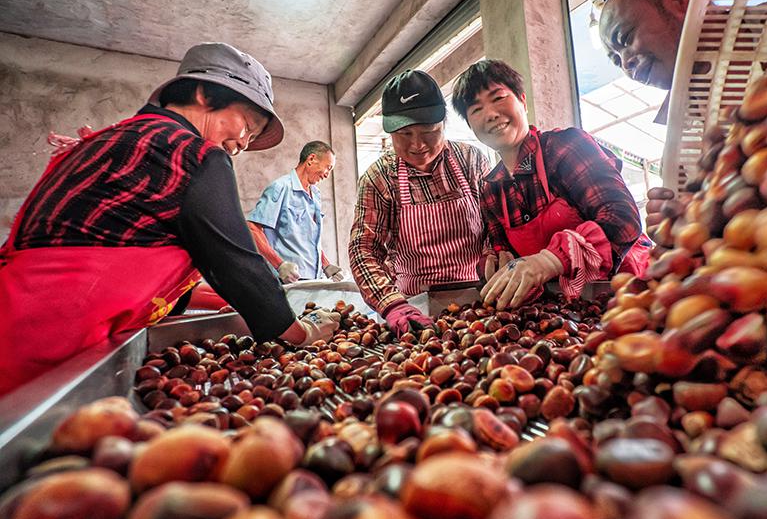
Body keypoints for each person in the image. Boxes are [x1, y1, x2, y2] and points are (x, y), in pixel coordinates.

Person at [0, 42, 339, 396]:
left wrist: (223, 304)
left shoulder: (108, 141)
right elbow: (234, 261)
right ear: (204, 95)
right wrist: (299, 332)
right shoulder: (194, 154)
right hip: (55, 353)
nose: (242, 143)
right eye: (246, 125)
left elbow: (133, 244)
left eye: (252, 137)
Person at [451, 60, 651, 310]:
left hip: (628, 296)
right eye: (476, 110)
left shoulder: (566, 147)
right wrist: (496, 262)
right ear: (471, 126)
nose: (491, 114)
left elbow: (622, 218)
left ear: (522, 100)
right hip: (564, 312)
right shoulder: (492, 189)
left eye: (499, 98)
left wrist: (550, 260)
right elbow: (504, 250)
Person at [349, 69, 492, 334]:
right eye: (404, 134)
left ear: (443, 123)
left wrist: (491, 254)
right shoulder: (379, 178)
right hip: (413, 309)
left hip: (479, 300)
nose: (417, 145)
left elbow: (496, 224)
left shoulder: (471, 160)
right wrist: (392, 305)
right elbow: (364, 249)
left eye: (428, 131)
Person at [597, 0, 694, 124]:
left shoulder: (748, 36)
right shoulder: (682, 133)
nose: (625, 64)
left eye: (625, 38)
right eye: (616, 61)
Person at [247, 140, 344, 283]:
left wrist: (326, 264)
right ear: (311, 159)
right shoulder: (280, 187)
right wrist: (280, 265)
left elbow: (310, 239)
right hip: (288, 281)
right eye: (328, 168)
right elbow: (253, 228)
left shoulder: (315, 194)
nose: (327, 175)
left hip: (313, 279)